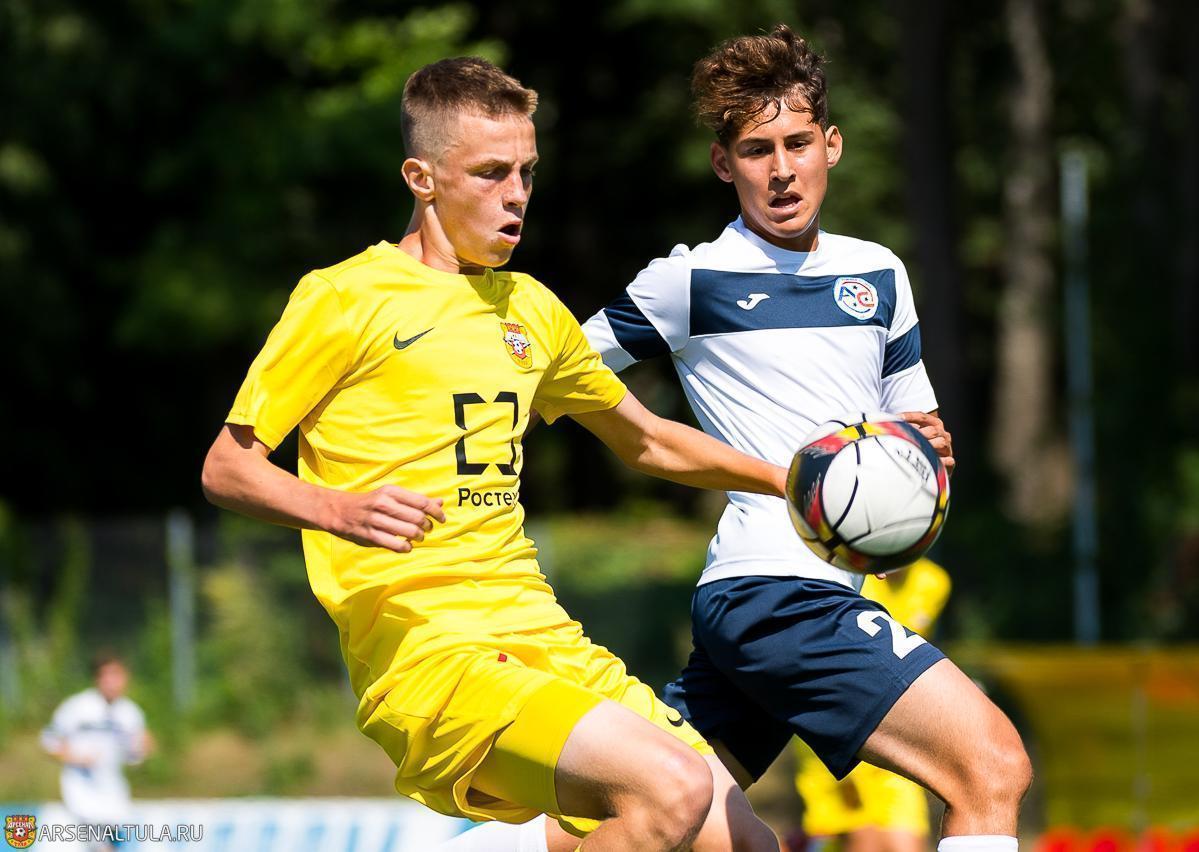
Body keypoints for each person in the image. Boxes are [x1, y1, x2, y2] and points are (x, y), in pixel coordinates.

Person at [201, 57, 781, 851]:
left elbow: (647, 439)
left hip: (541, 635)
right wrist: (337, 508)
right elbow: (227, 467)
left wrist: (793, 478)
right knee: (671, 790)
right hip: (430, 657)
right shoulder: (343, 297)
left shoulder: (532, 310)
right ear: (422, 178)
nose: (516, 194)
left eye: (526, 172)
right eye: (490, 172)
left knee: (743, 842)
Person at [575, 24, 1033, 852]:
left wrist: (925, 460)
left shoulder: (879, 273)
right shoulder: (689, 281)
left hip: (799, 598)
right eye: (756, 150)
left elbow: (914, 432)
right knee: (991, 766)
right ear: (724, 164)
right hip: (776, 593)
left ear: (832, 145)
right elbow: (552, 369)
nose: (781, 169)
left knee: (664, 815)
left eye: (797, 143)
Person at [792, 558, 952, 852]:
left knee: (905, 842)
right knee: (853, 838)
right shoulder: (849, 576)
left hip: (894, 729)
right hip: (838, 722)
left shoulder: (934, 581)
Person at [41, 653, 153, 849]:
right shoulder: (78, 707)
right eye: (106, 676)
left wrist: (142, 750)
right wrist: (75, 758)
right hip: (82, 795)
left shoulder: (131, 713)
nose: (111, 682)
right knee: (101, 848)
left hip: (115, 796)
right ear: (97, 679)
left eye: (116, 675)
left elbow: (135, 755)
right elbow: (49, 741)